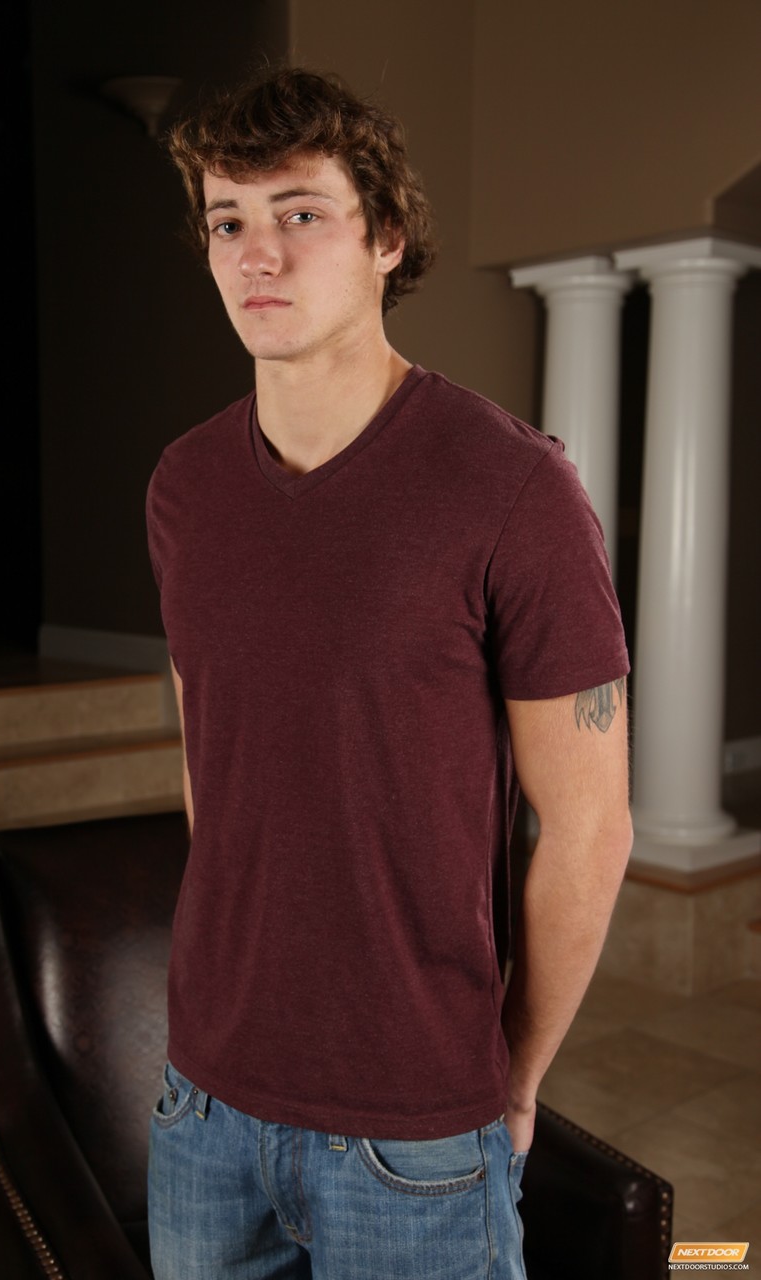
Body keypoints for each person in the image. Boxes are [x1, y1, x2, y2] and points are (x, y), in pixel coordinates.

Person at [146, 66, 632, 1280]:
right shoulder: (184, 488)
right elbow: (212, 761)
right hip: (202, 1103)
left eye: (301, 213)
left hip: (414, 1130)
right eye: (226, 221)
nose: (257, 253)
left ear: (387, 238)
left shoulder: (513, 487)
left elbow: (590, 825)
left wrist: (510, 1076)